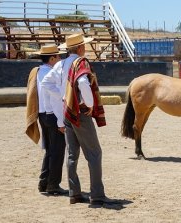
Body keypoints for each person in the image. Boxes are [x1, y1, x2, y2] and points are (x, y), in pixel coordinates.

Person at [58, 33, 117, 205]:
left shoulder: (62, 64)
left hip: (67, 110)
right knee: (94, 153)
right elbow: (83, 83)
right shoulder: (81, 62)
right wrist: (90, 104)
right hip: (80, 112)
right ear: (81, 48)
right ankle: (97, 195)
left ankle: (74, 193)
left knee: (71, 154)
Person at [25, 45, 67, 195]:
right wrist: (61, 121)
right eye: (58, 56)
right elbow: (55, 100)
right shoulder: (51, 73)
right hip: (52, 114)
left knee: (50, 149)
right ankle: (53, 184)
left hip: (42, 114)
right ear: (52, 58)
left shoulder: (37, 72)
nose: (60, 59)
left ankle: (44, 182)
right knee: (57, 150)